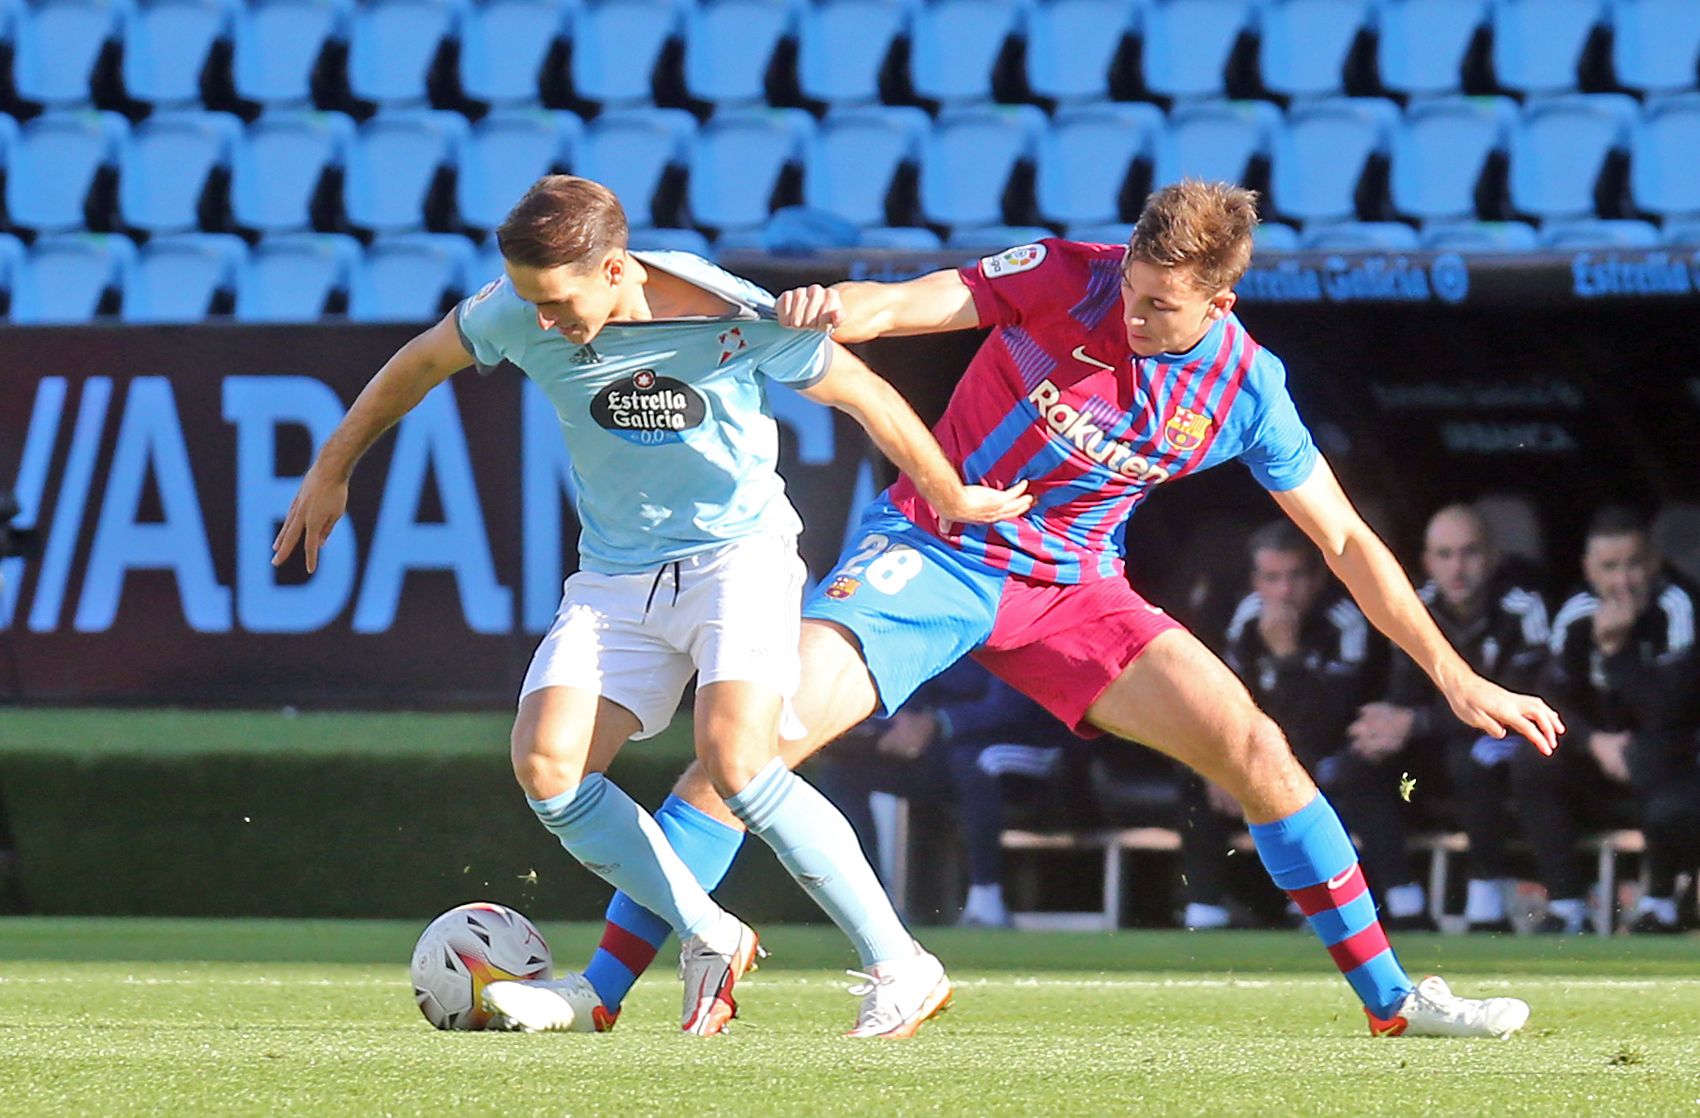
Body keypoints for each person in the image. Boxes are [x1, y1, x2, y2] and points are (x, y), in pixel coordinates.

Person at [506, 180, 1563, 1039]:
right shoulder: (1068, 273)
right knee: (743, 753)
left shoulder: (1247, 389)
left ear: (1220, 304)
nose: (1134, 313)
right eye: (1134, 289)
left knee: (1256, 748)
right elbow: (905, 302)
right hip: (931, 549)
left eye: (1161, 306)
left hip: (1073, 590)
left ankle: (1393, 1004)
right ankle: (597, 992)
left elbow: (1341, 540)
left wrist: (1452, 674)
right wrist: (835, 307)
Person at [270, 176, 1033, 1037]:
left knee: (736, 760)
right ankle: (710, 932)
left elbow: (862, 393)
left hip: (736, 560)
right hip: (616, 576)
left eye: (558, 303)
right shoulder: (513, 310)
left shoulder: (732, 312)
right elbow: (416, 365)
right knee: (549, 768)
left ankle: (903, 965)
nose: (542, 324)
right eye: (529, 303)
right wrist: (331, 470)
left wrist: (949, 495)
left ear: (616, 268)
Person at [1180, 520, 1427, 931]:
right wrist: (1220, 764)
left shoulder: (1344, 619)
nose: (1284, 592)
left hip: (1334, 750)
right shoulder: (1246, 619)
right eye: (1272, 579)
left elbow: (1327, 718)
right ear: (1255, 580)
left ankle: (1403, 908)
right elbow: (1227, 704)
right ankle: (1203, 913)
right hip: (1266, 752)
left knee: (1345, 771)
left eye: (1295, 577)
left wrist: (1287, 655)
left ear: (1317, 576)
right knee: (1199, 773)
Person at [1349, 504, 1552, 932]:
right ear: (1427, 562)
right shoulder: (1414, 609)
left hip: (1502, 744)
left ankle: (1487, 902)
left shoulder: (1523, 607)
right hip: (1430, 760)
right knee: (1357, 766)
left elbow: (1522, 701)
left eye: (1469, 553)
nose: (1457, 568)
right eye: (1444, 555)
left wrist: (1416, 722)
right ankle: (1404, 905)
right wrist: (1386, 727)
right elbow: (1404, 695)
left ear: (1494, 557)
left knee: (1473, 756)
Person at [813, 657, 1084, 929]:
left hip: (1034, 749)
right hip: (952, 752)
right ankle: (872, 904)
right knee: (844, 773)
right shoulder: (942, 630)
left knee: (976, 761)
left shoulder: (1014, 628)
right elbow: (918, 698)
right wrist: (901, 724)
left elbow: (1011, 710)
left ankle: (986, 903)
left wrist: (936, 722)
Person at [1536, 507, 1700, 934]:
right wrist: (1594, 743)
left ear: (1653, 563)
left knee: (1656, 756)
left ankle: (1659, 904)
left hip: (1670, 754)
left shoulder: (1676, 606)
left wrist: (1616, 652)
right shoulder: (1577, 613)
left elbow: (1670, 711)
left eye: (1633, 565)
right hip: (1599, 753)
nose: (1623, 581)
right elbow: (1552, 700)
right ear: (1589, 569)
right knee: (1532, 759)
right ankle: (1567, 906)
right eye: (1609, 568)